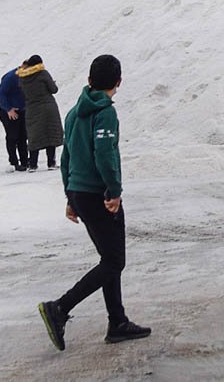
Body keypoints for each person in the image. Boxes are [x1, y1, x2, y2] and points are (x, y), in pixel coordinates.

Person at [38, 54, 151, 351]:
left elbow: (65, 159)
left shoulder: (75, 112)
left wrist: (69, 195)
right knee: (115, 260)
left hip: (79, 191)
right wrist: (114, 190)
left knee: (109, 259)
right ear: (118, 82)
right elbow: (104, 153)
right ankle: (59, 308)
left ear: (89, 81)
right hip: (98, 194)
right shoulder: (105, 113)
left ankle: (117, 322)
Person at [19, 56, 65, 171]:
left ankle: (33, 164)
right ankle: (51, 163)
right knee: (50, 133)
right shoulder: (43, 74)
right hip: (48, 107)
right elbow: (54, 89)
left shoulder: (22, 77)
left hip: (32, 108)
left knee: (34, 136)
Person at [0, 65, 29, 171]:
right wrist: (8, 109)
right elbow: (0, 93)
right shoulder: (11, 77)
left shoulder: (26, 75)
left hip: (21, 110)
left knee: (23, 136)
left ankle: (25, 161)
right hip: (9, 112)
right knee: (12, 137)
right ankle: (14, 161)